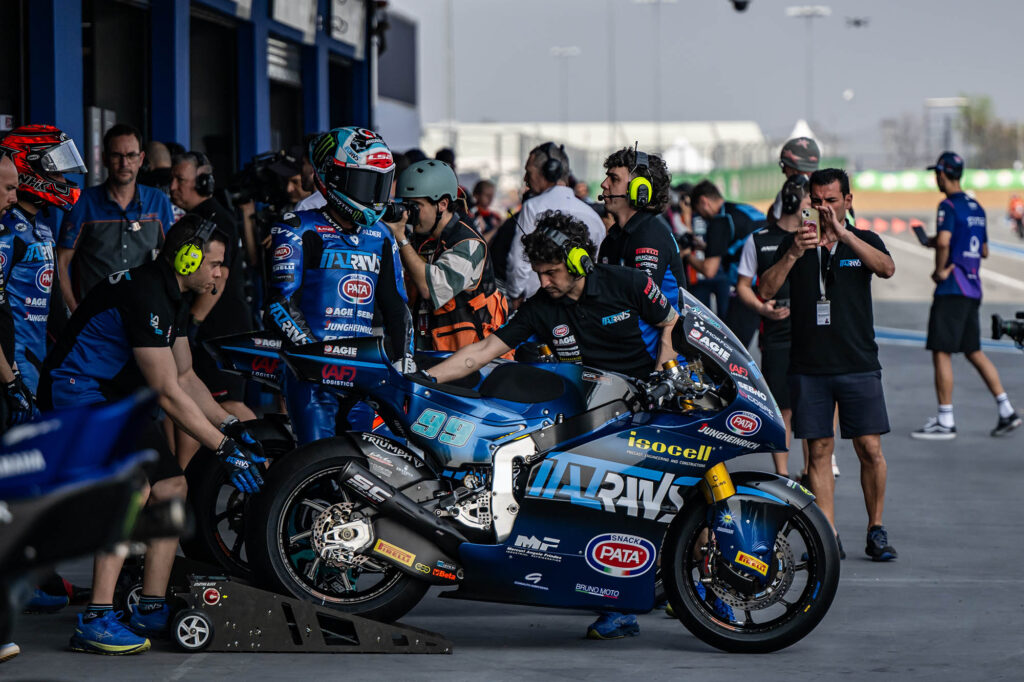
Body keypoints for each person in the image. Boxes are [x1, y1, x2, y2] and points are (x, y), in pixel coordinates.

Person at [425, 211, 679, 639]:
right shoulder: (542, 308)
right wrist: (425, 380)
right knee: (601, 507)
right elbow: (482, 351)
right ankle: (616, 606)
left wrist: (663, 369)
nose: (544, 282)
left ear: (579, 261)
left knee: (680, 495)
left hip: (650, 407)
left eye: (552, 272)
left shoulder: (630, 283)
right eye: (539, 273)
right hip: (591, 418)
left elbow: (670, 320)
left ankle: (696, 585)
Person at [39, 215, 266, 655]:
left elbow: (185, 377)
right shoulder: (146, 293)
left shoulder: (172, 294)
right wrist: (225, 450)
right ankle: (96, 619)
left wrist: (231, 426)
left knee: (172, 487)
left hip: (115, 399)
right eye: (215, 264)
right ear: (187, 258)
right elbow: (166, 393)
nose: (221, 274)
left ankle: (150, 606)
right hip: (76, 393)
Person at [758, 168, 897, 562]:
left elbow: (887, 268)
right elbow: (765, 290)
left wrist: (844, 235)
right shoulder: (794, 244)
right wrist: (794, 252)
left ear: (847, 201)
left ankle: (876, 528)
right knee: (817, 451)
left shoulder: (864, 240)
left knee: (869, 448)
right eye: (816, 201)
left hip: (858, 362)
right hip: (809, 367)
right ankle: (828, 536)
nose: (823, 208)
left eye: (831, 201)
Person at [266, 127, 412, 445]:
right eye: (365, 182)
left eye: (380, 183)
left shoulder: (382, 236)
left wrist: (405, 365)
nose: (373, 194)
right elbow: (279, 304)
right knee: (317, 460)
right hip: (311, 374)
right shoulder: (297, 228)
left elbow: (397, 307)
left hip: (364, 373)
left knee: (372, 461)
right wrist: (314, 358)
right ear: (334, 177)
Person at [912, 152, 1021, 440]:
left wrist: (939, 270)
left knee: (941, 350)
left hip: (952, 287)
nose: (936, 178)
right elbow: (983, 250)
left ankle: (945, 419)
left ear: (943, 174)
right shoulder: (976, 207)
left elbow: (945, 242)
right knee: (973, 350)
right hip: (973, 286)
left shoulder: (947, 205)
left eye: (937, 173)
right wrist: (934, 242)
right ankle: (1006, 409)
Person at [168, 151, 257, 462]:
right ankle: (184, 479)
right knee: (186, 402)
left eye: (180, 179)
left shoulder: (218, 219)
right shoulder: (195, 219)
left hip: (222, 329)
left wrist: (192, 323)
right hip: (205, 328)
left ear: (203, 182)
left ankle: (275, 461)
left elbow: (221, 277)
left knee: (228, 405)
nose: (173, 186)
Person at [0, 126, 86, 396]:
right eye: (56, 172)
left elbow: (56, 306)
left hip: (37, 358)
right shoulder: (7, 230)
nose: (63, 180)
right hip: (11, 365)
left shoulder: (43, 230)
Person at [389, 159, 508, 352]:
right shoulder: (422, 240)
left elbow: (429, 288)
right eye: (407, 205)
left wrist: (400, 238)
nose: (410, 214)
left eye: (416, 206)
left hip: (472, 358)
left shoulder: (469, 243)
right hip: (432, 351)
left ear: (442, 204)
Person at [735, 174, 808, 478]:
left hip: (811, 332)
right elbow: (743, 286)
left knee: (811, 407)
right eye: (810, 201)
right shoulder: (759, 239)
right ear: (793, 202)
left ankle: (813, 469)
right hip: (776, 334)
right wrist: (761, 307)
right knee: (781, 408)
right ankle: (783, 475)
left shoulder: (815, 238)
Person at [58, 124, 175, 311]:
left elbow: (171, 259)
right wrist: (74, 311)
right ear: (104, 159)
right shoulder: (83, 203)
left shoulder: (158, 201)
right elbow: (60, 262)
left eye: (131, 155)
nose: (124, 163)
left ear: (141, 159)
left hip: (145, 314)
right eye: (116, 155)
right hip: (96, 316)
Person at [505, 142, 605, 308]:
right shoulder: (593, 216)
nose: (526, 179)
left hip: (537, 305)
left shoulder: (532, 207)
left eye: (529, 172)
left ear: (549, 171)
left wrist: (515, 295)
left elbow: (518, 261)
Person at [597, 146, 683, 308]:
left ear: (639, 189)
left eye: (614, 179)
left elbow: (644, 306)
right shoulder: (613, 239)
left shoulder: (649, 237)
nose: (604, 184)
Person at [686, 181, 766, 341]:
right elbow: (740, 244)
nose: (702, 217)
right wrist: (706, 247)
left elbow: (709, 270)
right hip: (773, 283)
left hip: (749, 290)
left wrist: (686, 254)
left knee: (730, 346)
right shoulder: (742, 209)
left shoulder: (719, 221)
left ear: (704, 202)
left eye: (699, 212)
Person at [769, 137, 820, 222]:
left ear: (794, 170)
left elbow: (774, 224)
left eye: (784, 166)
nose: (783, 171)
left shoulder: (790, 193)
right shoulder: (831, 190)